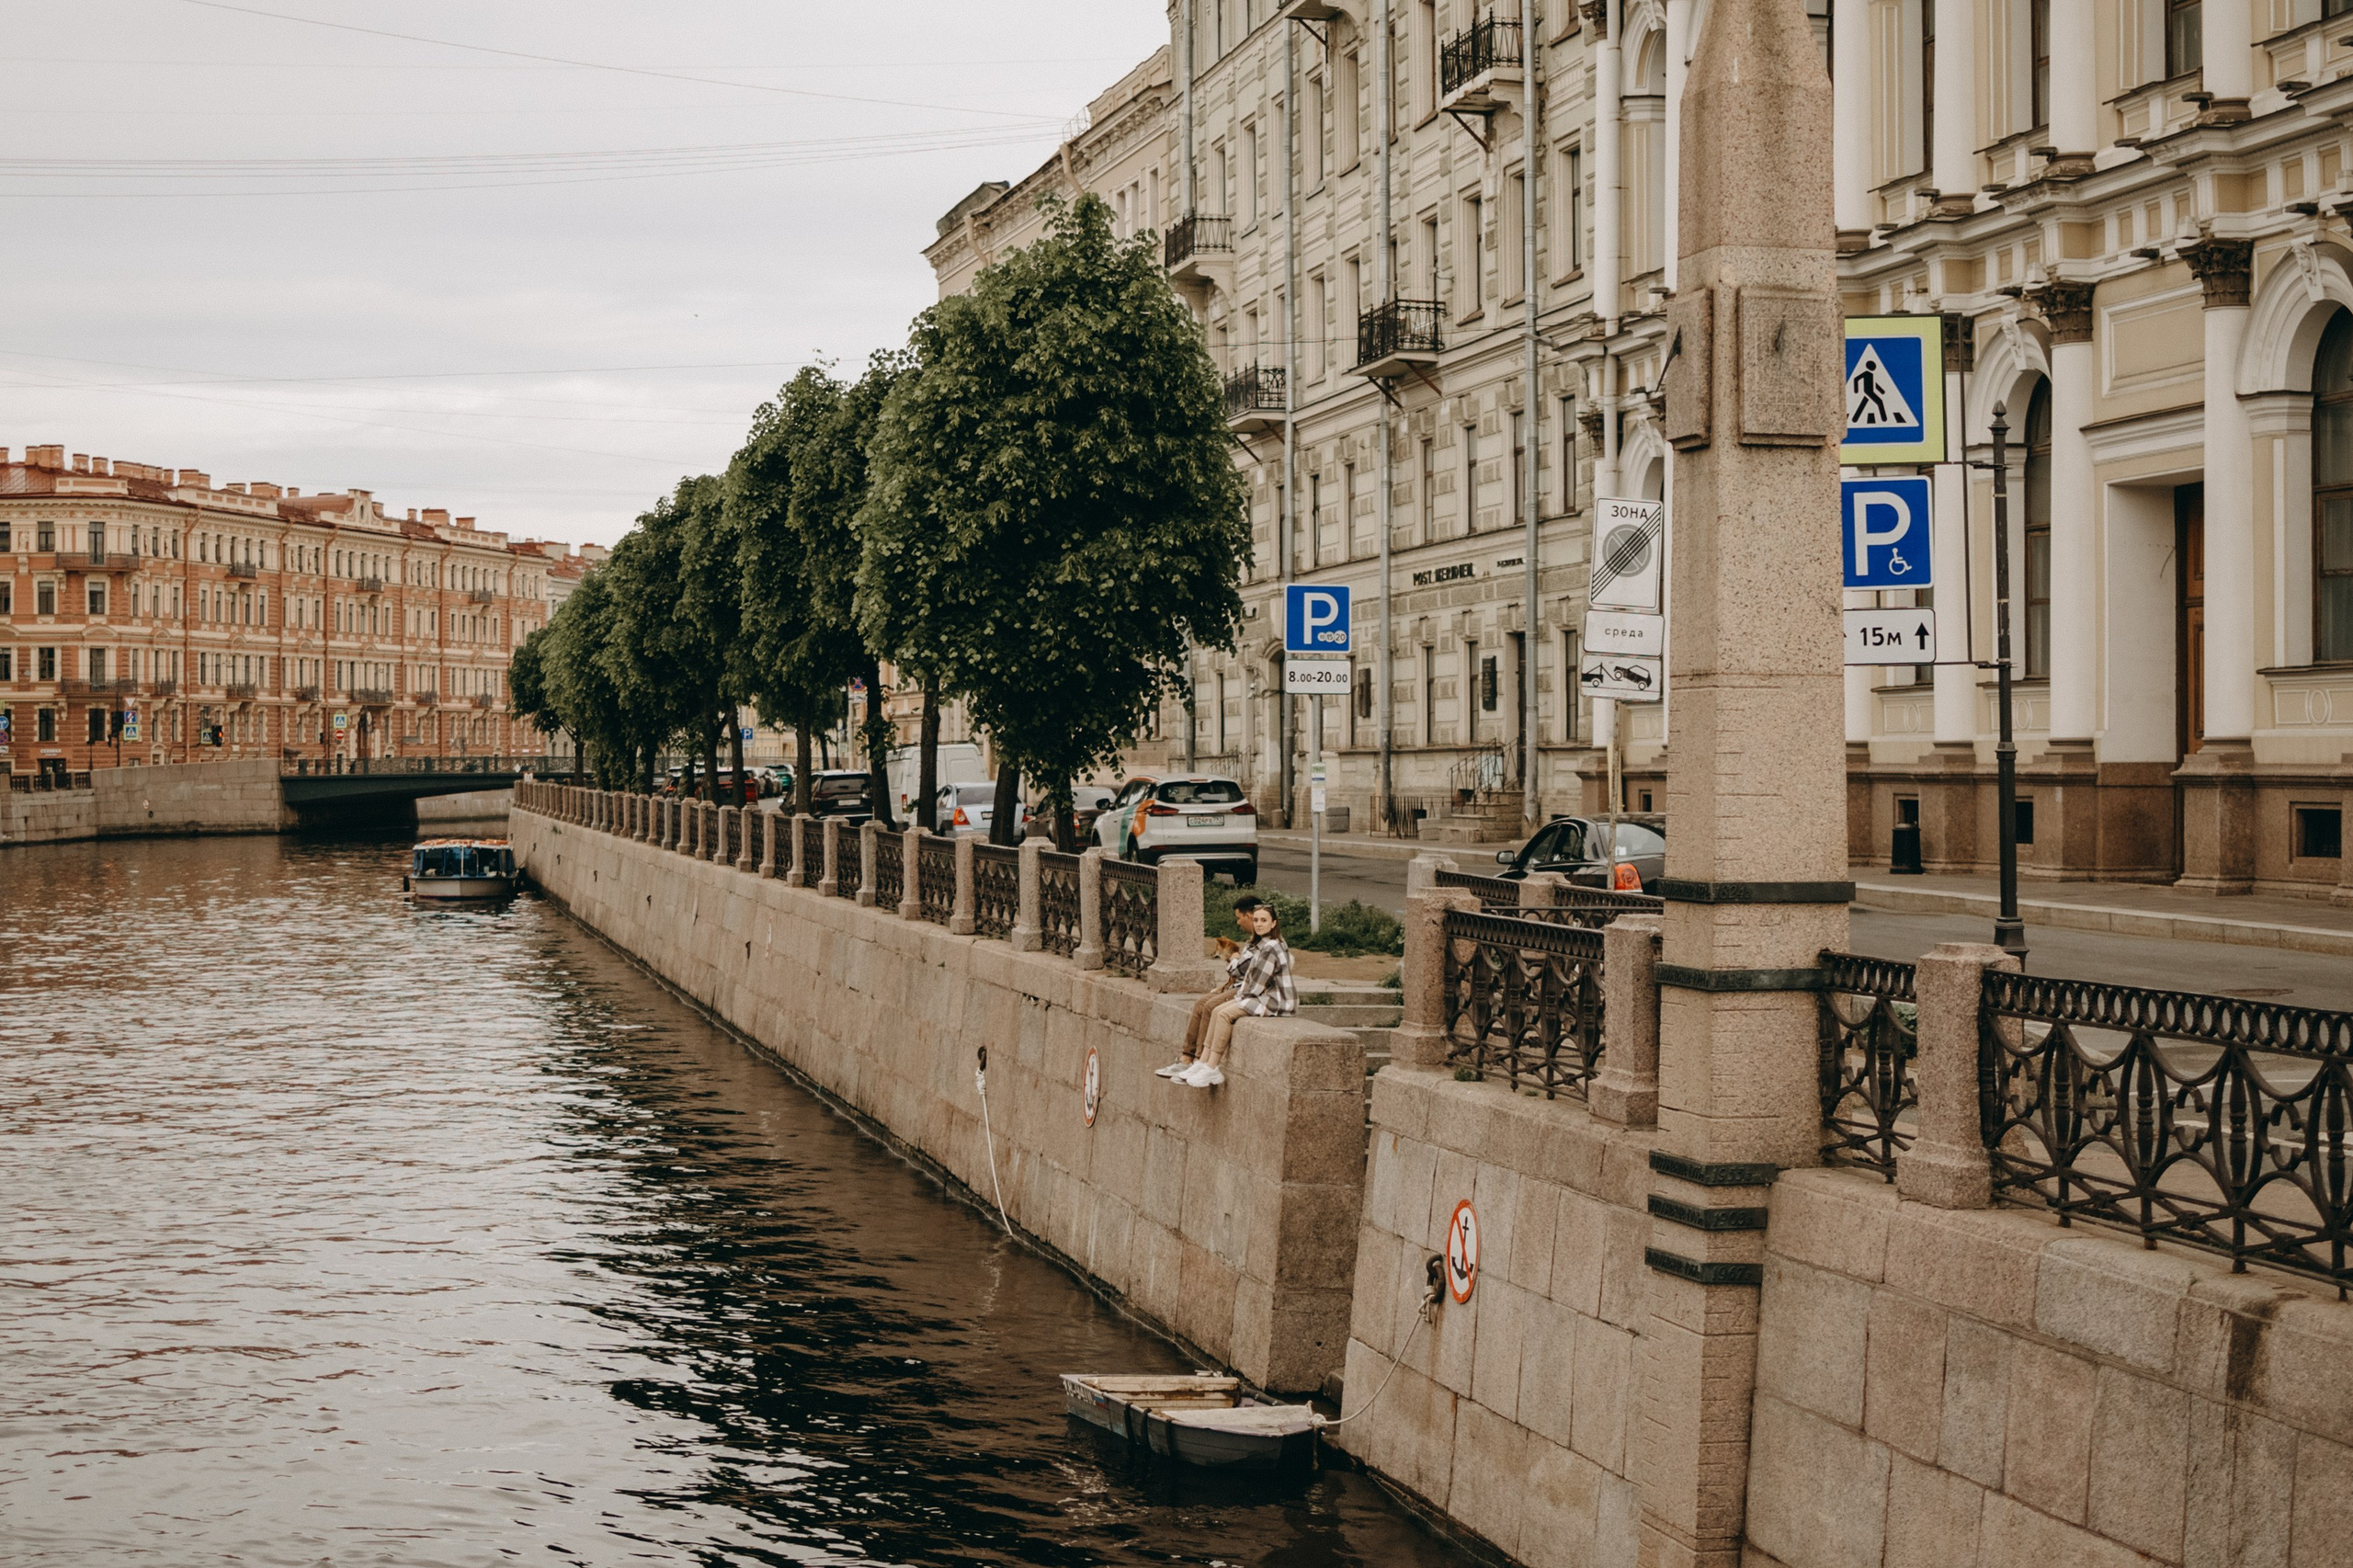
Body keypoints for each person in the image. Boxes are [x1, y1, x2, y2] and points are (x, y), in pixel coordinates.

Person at [1176, 903, 1295, 1088]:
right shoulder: (1262, 944)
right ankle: (1202, 1063)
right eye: (1256, 920)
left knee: (1224, 1014)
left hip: (1275, 1000)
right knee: (1216, 1010)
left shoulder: (1271, 946)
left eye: (1264, 921)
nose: (1259, 925)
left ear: (1274, 924)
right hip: (1261, 995)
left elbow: (1258, 983)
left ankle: (1212, 1067)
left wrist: (1240, 997)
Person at [1157, 895, 1264, 1079]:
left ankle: (1199, 1061)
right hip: (1240, 985)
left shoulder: (1263, 943)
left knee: (1210, 1006)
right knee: (1200, 1003)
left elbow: (1241, 968)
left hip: (1247, 990)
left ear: (1248, 915)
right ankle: (1186, 1058)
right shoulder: (1253, 941)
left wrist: (1233, 960)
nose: (1238, 923)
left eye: (1239, 917)